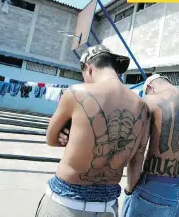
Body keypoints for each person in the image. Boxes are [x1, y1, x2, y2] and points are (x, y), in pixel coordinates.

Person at [35, 44, 151, 217]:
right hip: (107, 207)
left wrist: (67, 135)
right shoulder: (142, 106)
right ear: (115, 70)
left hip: (65, 203)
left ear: (89, 69)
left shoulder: (76, 93)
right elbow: (137, 159)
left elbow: (50, 139)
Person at [121, 74, 179, 217]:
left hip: (153, 187)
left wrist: (129, 188)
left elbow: (138, 153)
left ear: (150, 87)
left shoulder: (149, 101)